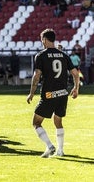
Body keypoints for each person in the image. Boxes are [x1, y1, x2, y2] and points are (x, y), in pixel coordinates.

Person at [26, 29, 79, 158]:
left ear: (44, 39)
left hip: (49, 94)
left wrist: (31, 93)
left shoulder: (41, 55)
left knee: (36, 122)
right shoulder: (64, 55)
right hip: (62, 93)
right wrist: (76, 88)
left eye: (41, 39)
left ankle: (50, 146)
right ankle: (60, 150)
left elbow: (37, 75)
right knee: (58, 122)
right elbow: (75, 73)